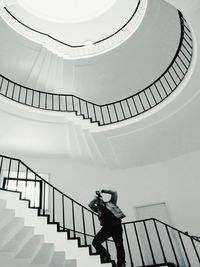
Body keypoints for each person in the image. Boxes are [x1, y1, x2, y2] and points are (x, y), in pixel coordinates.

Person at [88, 189, 126, 267]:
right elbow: (90, 205)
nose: (100, 200)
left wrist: (102, 191)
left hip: (116, 226)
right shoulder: (98, 209)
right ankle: (106, 256)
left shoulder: (111, 203)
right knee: (95, 242)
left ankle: (121, 263)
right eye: (98, 200)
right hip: (107, 228)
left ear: (103, 199)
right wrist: (96, 198)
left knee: (119, 245)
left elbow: (114, 192)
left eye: (100, 199)